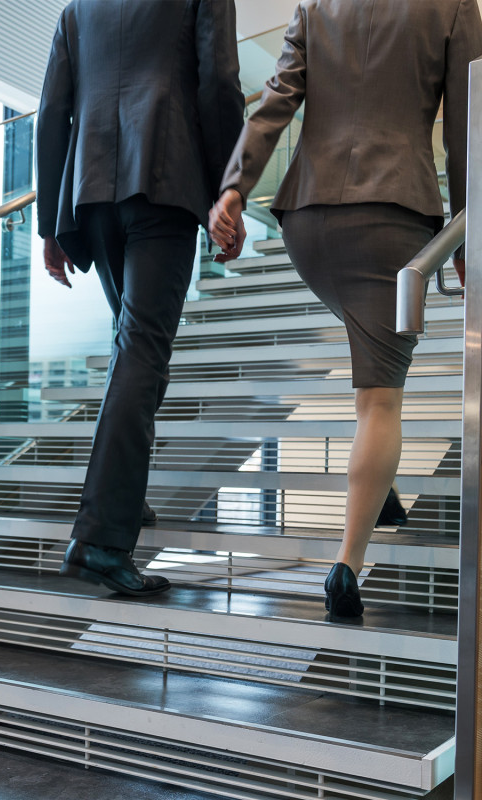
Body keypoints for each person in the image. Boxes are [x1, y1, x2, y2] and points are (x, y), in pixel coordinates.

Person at [209, 0, 482, 617]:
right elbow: (470, 126)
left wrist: (234, 187)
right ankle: (346, 566)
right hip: (393, 212)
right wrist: (467, 231)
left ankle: (376, 490)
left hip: (307, 217)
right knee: (380, 398)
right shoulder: (453, 8)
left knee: (367, 351)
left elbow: (276, 101)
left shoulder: (315, 8)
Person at [36, 0, 244, 597]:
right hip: (163, 180)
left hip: (92, 191)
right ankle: (100, 540)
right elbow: (221, 85)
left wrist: (52, 222)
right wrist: (229, 191)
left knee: (134, 350)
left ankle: (122, 498)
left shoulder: (79, 8)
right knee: (142, 354)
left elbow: (51, 113)